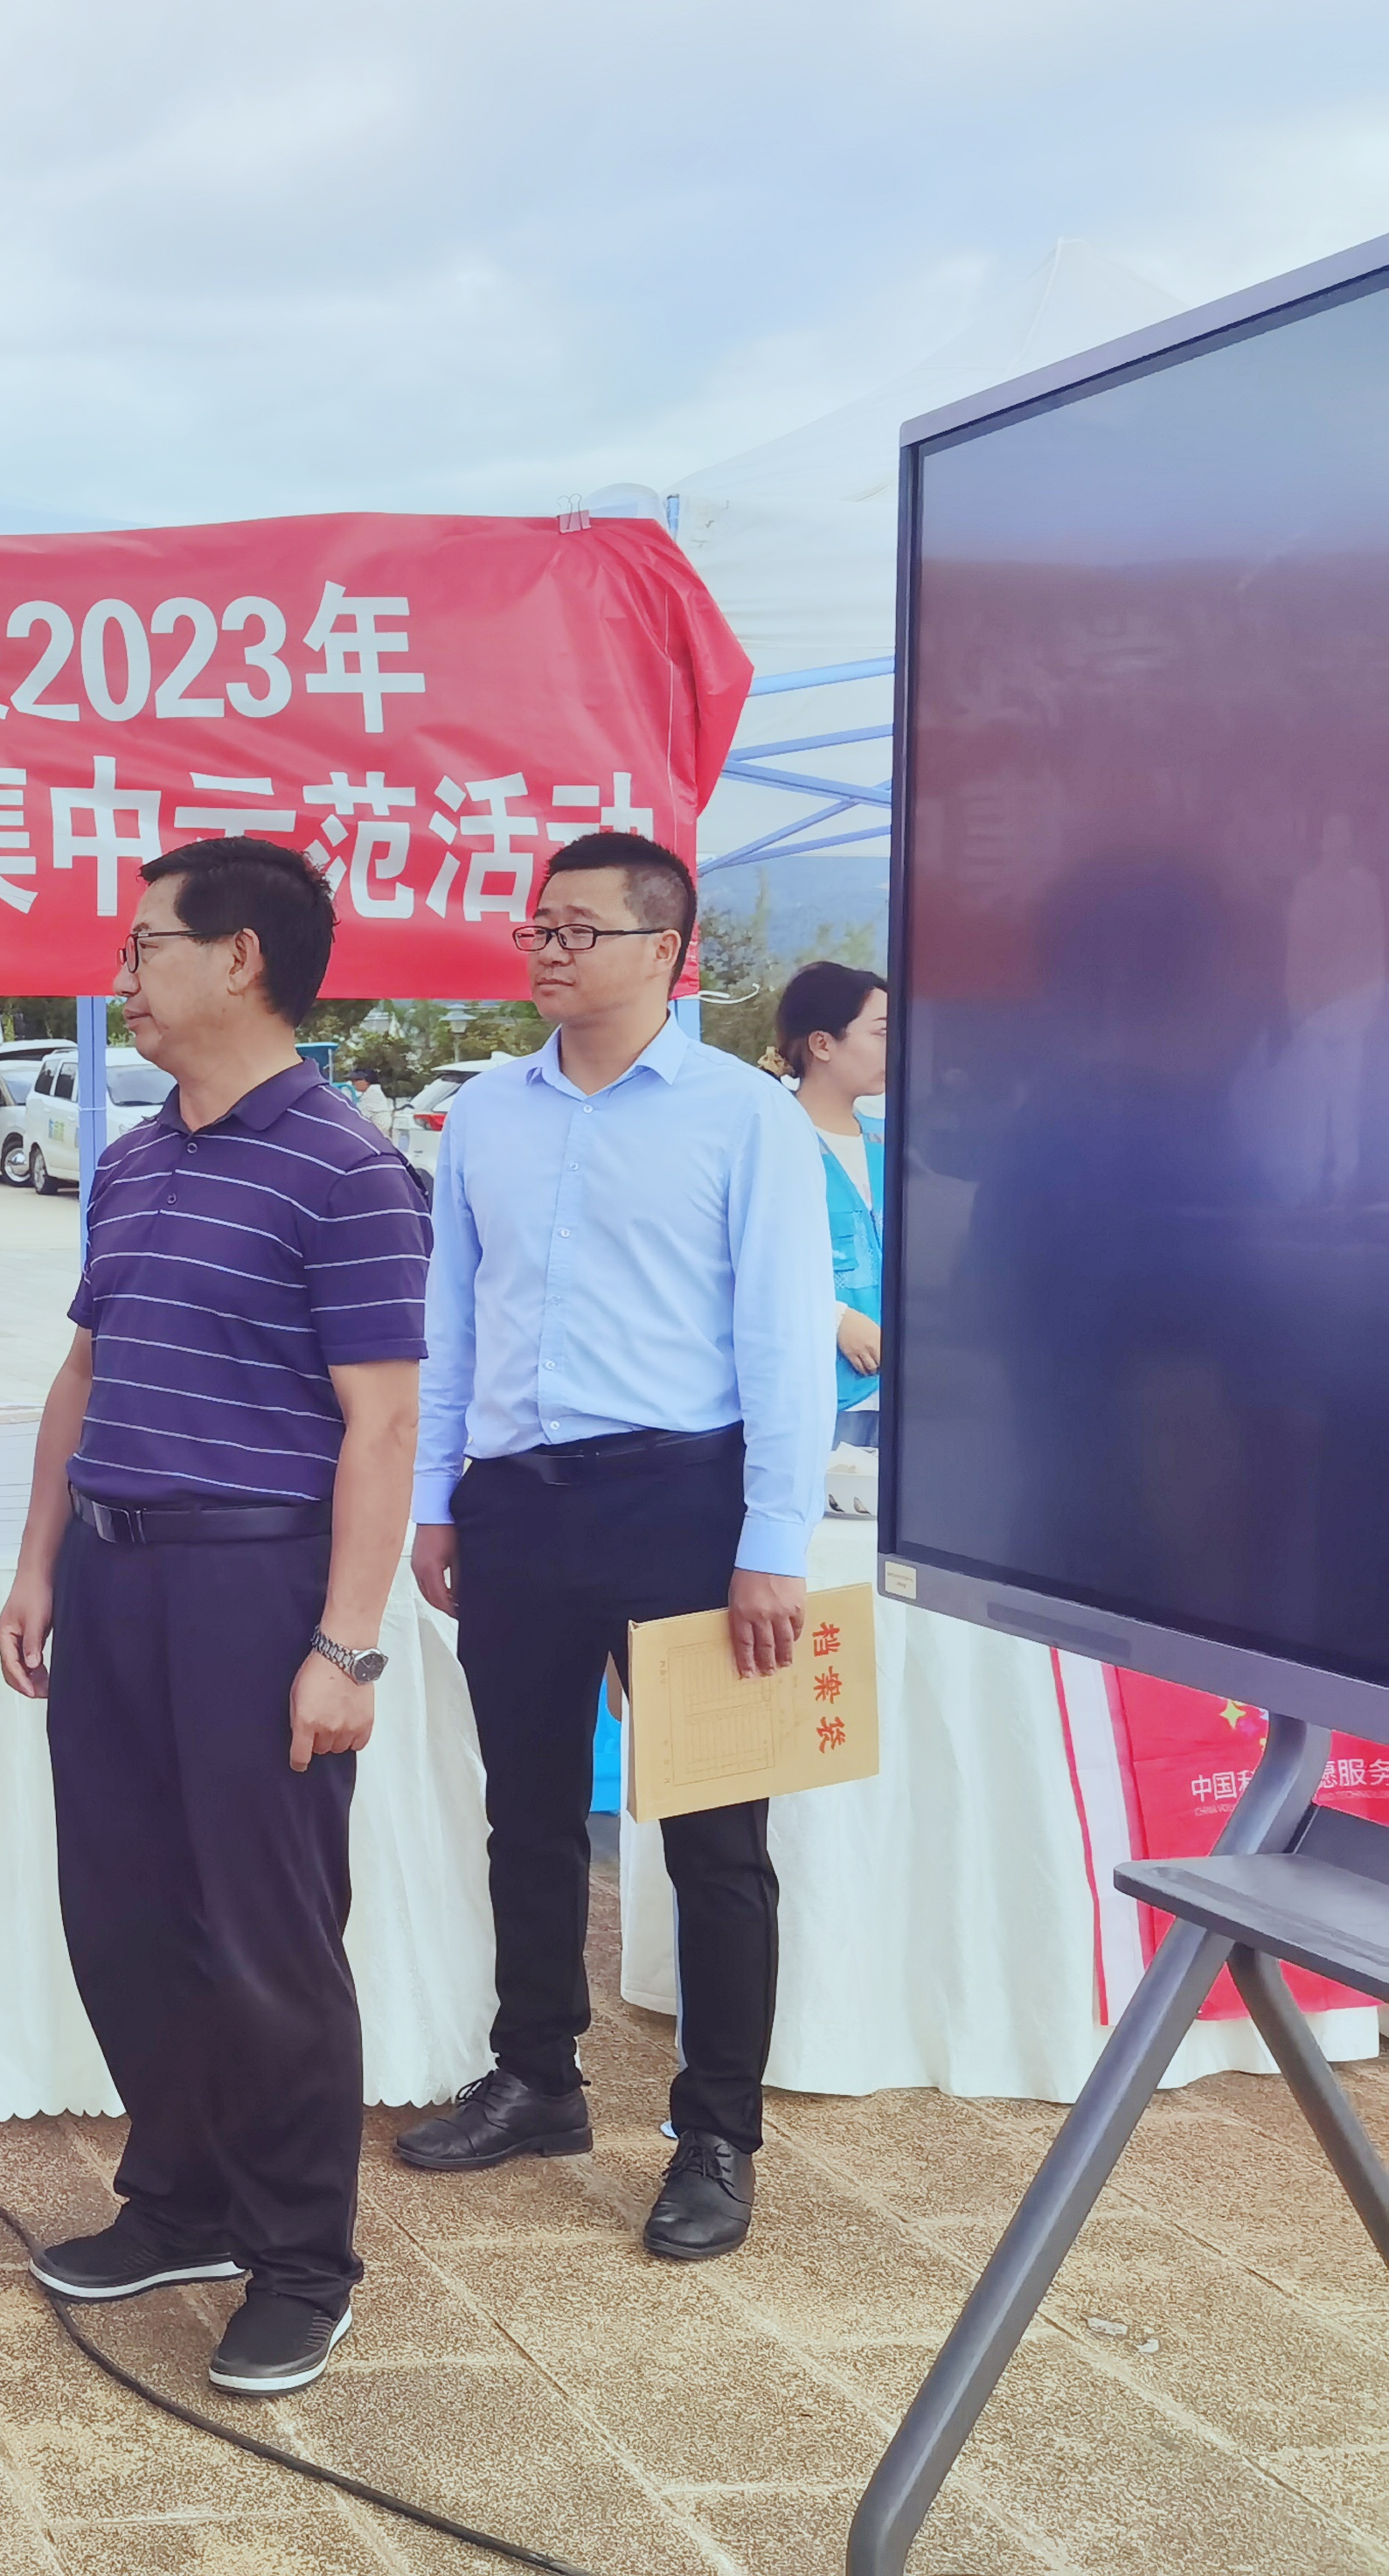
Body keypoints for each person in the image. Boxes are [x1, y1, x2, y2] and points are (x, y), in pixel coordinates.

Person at [0, 839, 427, 2398]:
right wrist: (40, 1565)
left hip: (255, 1588)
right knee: (123, 1912)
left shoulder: (347, 1167)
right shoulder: (132, 1159)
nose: (121, 976)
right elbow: (84, 1373)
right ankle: (177, 2202)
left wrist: (345, 1643)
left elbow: (383, 1423)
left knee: (265, 1934)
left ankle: (302, 2260)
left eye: (144, 946)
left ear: (240, 958)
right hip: (117, 1579)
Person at [397, 831, 835, 2262]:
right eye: (539, 925)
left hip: (685, 1505)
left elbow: (784, 1336)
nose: (548, 948)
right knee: (525, 1813)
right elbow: (454, 1317)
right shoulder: (486, 1113)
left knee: (715, 1838)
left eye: (579, 929)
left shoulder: (741, 1117)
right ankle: (537, 2076)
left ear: (667, 953)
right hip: (518, 1502)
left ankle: (717, 2133)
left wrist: (772, 1540)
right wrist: (439, 1497)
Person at [777, 961, 890, 1449]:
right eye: (882, 1032)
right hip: (816, 1392)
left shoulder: (889, 1142)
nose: (897, 1045)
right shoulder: (774, 1139)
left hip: (897, 1395)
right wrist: (833, 1317)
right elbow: (741, 1262)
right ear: (823, 1044)